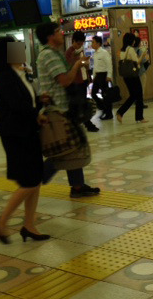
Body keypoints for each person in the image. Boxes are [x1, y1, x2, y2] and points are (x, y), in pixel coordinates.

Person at [0, 36, 50, 244]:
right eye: (17, 49)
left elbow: (26, 101)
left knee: (35, 180)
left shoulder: (21, 74)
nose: (22, 51)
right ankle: (2, 221)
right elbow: (17, 106)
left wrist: (39, 102)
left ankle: (29, 224)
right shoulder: (6, 77)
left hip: (28, 131)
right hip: (16, 134)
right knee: (29, 181)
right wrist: (37, 114)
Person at [35, 22, 100, 198]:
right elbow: (64, 80)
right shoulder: (49, 55)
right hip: (58, 111)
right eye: (58, 31)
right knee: (63, 152)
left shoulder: (54, 53)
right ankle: (31, 183)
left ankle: (78, 186)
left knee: (72, 148)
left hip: (63, 109)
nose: (62, 34)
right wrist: (78, 65)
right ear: (50, 36)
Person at [65, 31, 98, 132]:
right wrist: (81, 62)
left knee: (82, 103)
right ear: (73, 41)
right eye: (78, 43)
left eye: (81, 43)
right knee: (79, 104)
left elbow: (84, 65)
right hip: (75, 82)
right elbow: (70, 66)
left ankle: (84, 123)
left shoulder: (81, 51)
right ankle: (86, 124)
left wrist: (86, 64)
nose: (80, 45)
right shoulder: (69, 52)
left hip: (82, 80)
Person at [116, 32, 148, 124]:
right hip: (133, 75)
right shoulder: (130, 49)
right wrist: (143, 55)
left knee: (133, 95)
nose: (134, 41)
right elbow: (137, 61)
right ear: (131, 40)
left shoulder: (122, 50)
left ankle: (121, 112)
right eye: (133, 39)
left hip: (126, 76)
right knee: (139, 95)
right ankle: (139, 117)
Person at [91, 35, 113, 120]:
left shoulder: (104, 52)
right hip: (97, 76)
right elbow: (95, 66)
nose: (92, 44)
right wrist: (94, 76)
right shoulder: (95, 53)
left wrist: (109, 75)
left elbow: (109, 64)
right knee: (93, 93)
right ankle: (103, 107)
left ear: (98, 43)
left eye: (93, 42)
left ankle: (108, 114)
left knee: (105, 95)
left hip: (104, 75)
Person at [134, 36, 150, 108]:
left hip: (133, 73)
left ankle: (136, 101)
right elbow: (143, 60)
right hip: (140, 72)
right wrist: (146, 58)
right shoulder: (139, 51)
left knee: (136, 88)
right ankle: (140, 103)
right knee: (141, 88)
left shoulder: (131, 50)